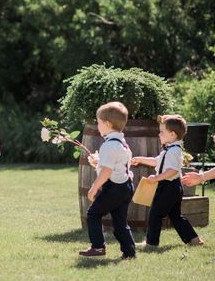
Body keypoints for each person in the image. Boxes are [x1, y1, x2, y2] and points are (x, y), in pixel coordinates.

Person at [131, 114, 204, 248]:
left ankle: (151, 243)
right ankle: (194, 239)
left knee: (155, 215)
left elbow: (173, 170)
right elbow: (156, 161)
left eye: (162, 132)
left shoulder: (173, 151)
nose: (159, 134)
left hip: (168, 187)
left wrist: (156, 178)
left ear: (172, 135)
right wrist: (140, 159)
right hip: (173, 187)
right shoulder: (169, 150)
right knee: (175, 216)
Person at [78, 102, 136, 259]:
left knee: (93, 214)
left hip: (114, 188)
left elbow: (107, 171)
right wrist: (98, 162)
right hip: (126, 186)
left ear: (107, 124)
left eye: (99, 122)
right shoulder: (123, 143)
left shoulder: (108, 145)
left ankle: (98, 247)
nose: (98, 126)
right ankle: (129, 253)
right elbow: (115, 164)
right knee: (120, 223)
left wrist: (94, 187)